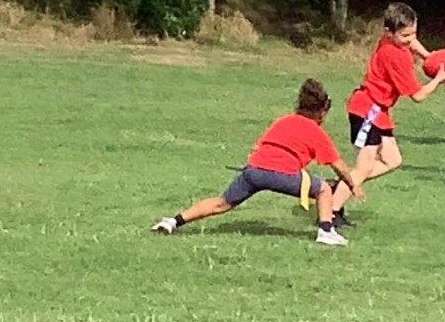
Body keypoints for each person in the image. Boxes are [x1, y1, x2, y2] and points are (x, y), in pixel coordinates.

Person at [152, 79, 364, 246]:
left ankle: (172, 222)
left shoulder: (282, 121)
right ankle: (326, 232)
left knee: (221, 203)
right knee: (324, 189)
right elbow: (338, 166)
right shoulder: (316, 131)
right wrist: (353, 185)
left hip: (253, 171)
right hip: (282, 173)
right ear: (321, 112)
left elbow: (260, 147)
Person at [329, 2, 445, 227]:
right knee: (365, 165)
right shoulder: (395, 56)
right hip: (367, 109)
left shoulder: (392, 40)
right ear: (389, 32)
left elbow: (413, 42)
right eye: (405, 35)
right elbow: (417, 95)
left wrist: (428, 56)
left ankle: (341, 185)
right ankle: (331, 211)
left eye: (413, 32)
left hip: (379, 111)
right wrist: (438, 79)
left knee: (393, 160)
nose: (410, 39)